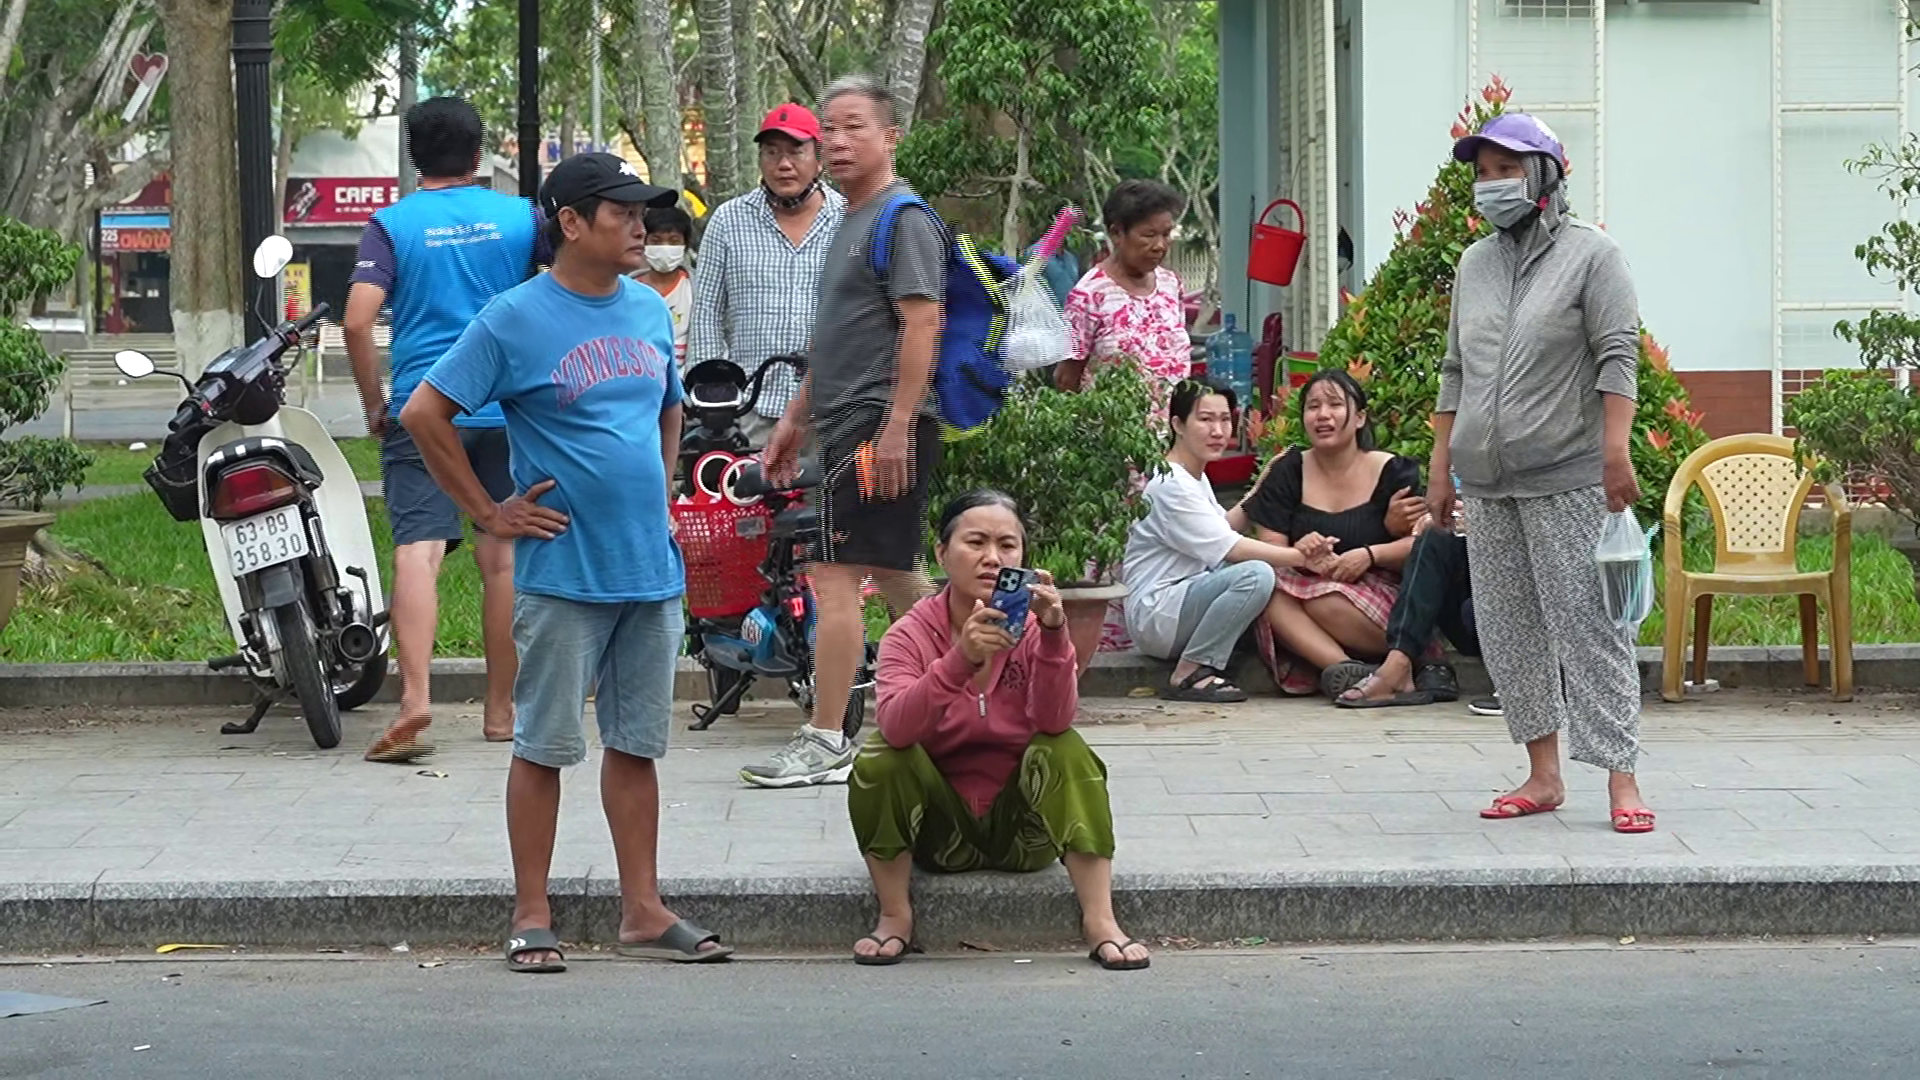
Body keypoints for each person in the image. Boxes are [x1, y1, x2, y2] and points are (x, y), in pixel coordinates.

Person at [401, 152, 734, 972]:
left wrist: (659, 500)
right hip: (562, 575)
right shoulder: (514, 318)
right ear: (571, 223)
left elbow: (666, 409)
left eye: (643, 215)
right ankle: (531, 912)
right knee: (544, 745)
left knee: (637, 745)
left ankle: (644, 911)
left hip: (649, 573)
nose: (640, 229)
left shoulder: (649, 312)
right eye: (621, 213)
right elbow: (424, 411)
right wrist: (486, 512)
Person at [1435, 113, 1652, 833]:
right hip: (1486, 483)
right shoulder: (1474, 264)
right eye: (1483, 171)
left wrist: (1615, 452)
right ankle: (1543, 775)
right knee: (1508, 632)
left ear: (1546, 175)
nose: (1491, 184)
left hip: (1567, 474)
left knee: (1590, 627)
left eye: (1506, 169)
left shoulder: (1594, 256)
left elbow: (1618, 354)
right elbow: (1456, 372)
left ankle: (1622, 780)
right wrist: (1442, 469)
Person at [849, 491, 1149, 971]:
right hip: (937, 835)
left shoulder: (1032, 630)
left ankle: (1100, 920)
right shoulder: (909, 634)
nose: (993, 557)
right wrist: (960, 660)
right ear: (942, 554)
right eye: (976, 542)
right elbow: (897, 728)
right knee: (881, 756)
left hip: (1023, 835)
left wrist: (1054, 635)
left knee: (1065, 747)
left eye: (1008, 545)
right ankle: (894, 914)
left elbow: (1054, 722)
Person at [745, 75, 943, 790]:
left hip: (873, 427)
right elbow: (833, 338)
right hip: (843, 422)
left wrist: (896, 427)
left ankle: (828, 738)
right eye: (828, 128)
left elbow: (924, 323)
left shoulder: (902, 217)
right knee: (894, 575)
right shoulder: (851, 219)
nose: (834, 141)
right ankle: (982, 685)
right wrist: (795, 419)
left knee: (833, 576)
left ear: (891, 136)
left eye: (853, 126)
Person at [348, 96, 541, 762]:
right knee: (502, 557)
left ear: (413, 154)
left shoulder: (391, 224)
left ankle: (415, 701)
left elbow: (355, 320)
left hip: (425, 408)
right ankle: (500, 712)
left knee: (420, 551)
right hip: (506, 407)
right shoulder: (522, 217)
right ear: (480, 150)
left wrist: (376, 402)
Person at [1124, 380, 1317, 702]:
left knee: (1259, 572)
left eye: (1225, 420)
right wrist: (1301, 557)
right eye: (1205, 419)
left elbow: (1221, 528)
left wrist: (1262, 486)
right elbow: (1232, 548)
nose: (1218, 430)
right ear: (1177, 424)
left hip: (1184, 601)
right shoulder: (1171, 483)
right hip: (1160, 614)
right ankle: (1190, 671)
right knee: (1257, 574)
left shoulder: (1194, 477)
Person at [1241, 370, 1421, 699]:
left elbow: (1424, 547)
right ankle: (1352, 672)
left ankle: (1380, 671)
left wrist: (1369, 555)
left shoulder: (1393, 471)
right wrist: (1303, 553)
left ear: (1360, 418)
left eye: (1335, 405)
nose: (1323, 415)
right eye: (1313, 407)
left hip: (1381, 601)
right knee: (1264, 589)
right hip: (1304, 588)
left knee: (1323, 602)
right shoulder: (1289, 470)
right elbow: (1271, 549)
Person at [688, 102, 845, 447]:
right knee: (741, 499)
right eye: (771, 152)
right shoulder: (729, 220)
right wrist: (715, 393)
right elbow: (707, 313)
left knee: (826, 502)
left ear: (819, 159)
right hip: (750, 411)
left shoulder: (849, 221)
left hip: (831, 411)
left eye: (795, 152)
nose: (783, 164)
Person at [1056, 180, 1192, 430]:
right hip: (1115, 445)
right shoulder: (1089, 295)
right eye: (1149, 235)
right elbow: (1067, 379)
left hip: (1175, 442)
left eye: (1166, 234)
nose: (1160, 245)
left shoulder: (1170, 284)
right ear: (1117, 233)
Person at [637, 204, 695, 365]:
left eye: (674, 241)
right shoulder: (628, 291)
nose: (665, 248)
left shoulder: (696, 289)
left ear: (685, 245)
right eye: (656, 241)